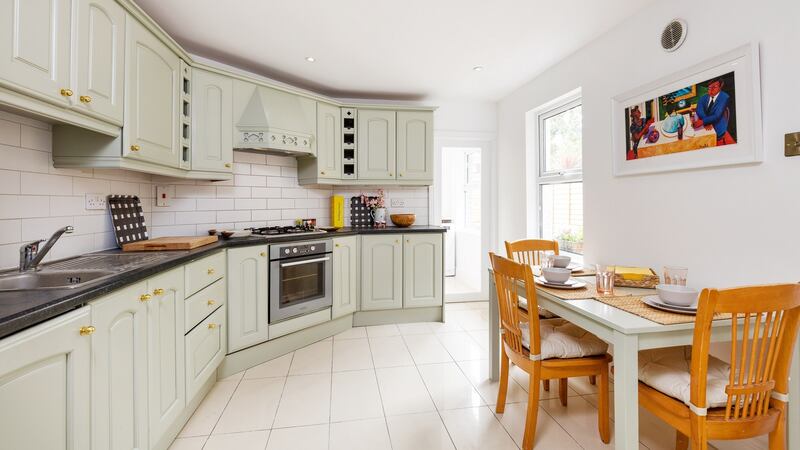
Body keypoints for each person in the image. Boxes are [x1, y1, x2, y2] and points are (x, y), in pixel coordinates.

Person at [692, 78, 735, 146]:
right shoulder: (704, 97)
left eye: (714, 87)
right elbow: (699, 109)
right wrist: (706, 122)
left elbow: (717, 115)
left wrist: (703, 121)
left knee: (699, 136)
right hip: (706, 123)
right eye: (709, 88)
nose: (710, 90)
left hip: (718, 125)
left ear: (720, 86)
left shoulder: (724, 97)